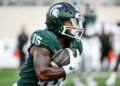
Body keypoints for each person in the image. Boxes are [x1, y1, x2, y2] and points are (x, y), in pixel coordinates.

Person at [14, 2, 84, 86]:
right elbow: (42, 74)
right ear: (57, 22)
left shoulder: (76, 44)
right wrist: (69, 68)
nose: (75, 26)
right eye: (71, 22)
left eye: (76, 22)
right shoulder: (45, 38)